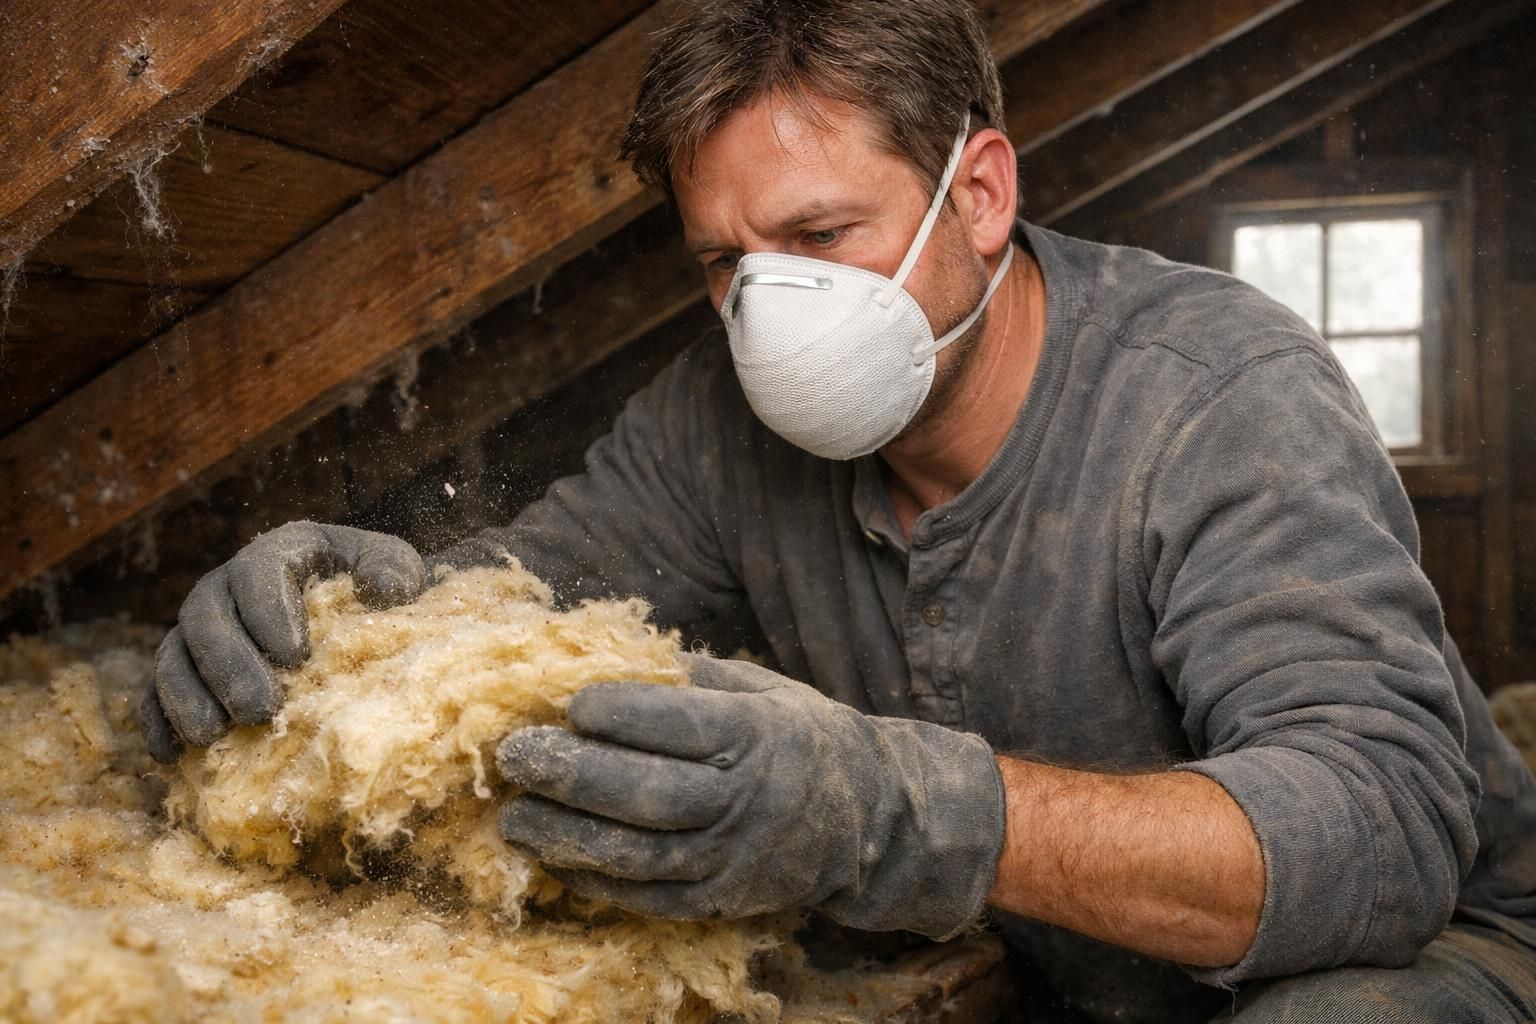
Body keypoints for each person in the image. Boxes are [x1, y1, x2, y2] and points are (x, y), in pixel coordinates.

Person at [139, 1, 1536, 1020]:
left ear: (979, 193)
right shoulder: (715, 418)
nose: (771, 313)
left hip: (1429, 952)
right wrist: (364, 608)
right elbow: (525, 600)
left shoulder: (1219, 395)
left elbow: (1380, 833)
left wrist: (885, 809)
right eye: (723, 263)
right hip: (1063, 965)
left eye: (820, 239)